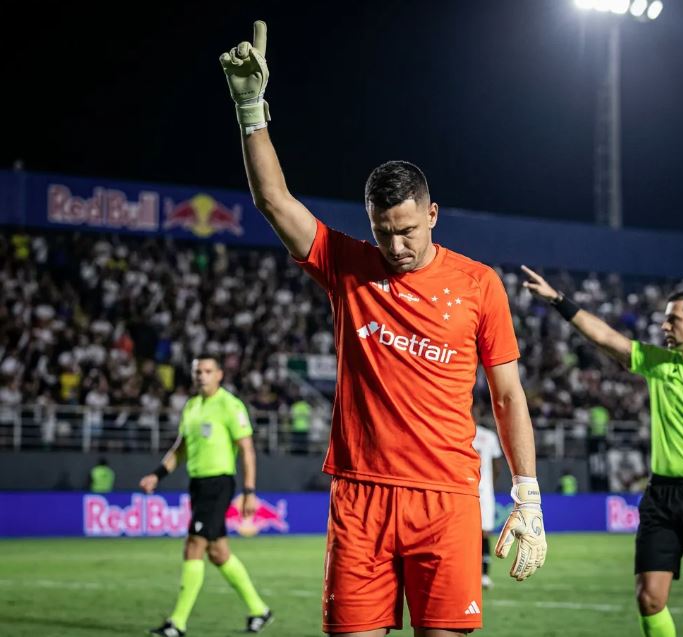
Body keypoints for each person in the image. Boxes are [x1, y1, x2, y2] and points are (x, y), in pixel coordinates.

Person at [220, 21, 547, 636]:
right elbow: (274, 200)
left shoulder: (479, 284)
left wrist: (526, 493)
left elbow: (507, 396)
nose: (395, 245)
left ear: (432, 214)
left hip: (446, 500)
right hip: (360, 497)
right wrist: (249, 109)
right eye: (382, 231)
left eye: (407, 229)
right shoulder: (347, 265)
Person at [522, 269, 683, 637]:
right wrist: (558, 300)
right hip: (662, 497)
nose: (664, 326)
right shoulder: (657, 362)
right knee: (650, 598)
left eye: (673, 319)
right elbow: (604, 336)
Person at [139, 354, 272, 636]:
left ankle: (177, 623)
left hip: (219, 483)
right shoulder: (192, 406)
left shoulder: (229, 405)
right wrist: (157, 474)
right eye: (198, 370)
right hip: (198, 484)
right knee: (218, 552)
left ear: (219, 375)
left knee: (194, 546)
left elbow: (247, 450)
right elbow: (180, 448)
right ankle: (259, 610)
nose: (201, 375)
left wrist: (249, 491)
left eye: (208, 371)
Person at [472, 421, 504, 590]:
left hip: (476, 490)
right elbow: (497, 466)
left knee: (483, 533)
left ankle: (483, 575)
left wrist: (488, 485)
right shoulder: (488, 436)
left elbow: (497, 465)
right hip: (477, 491)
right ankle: (479, 575)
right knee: (479, 533)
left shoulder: (487, 436)